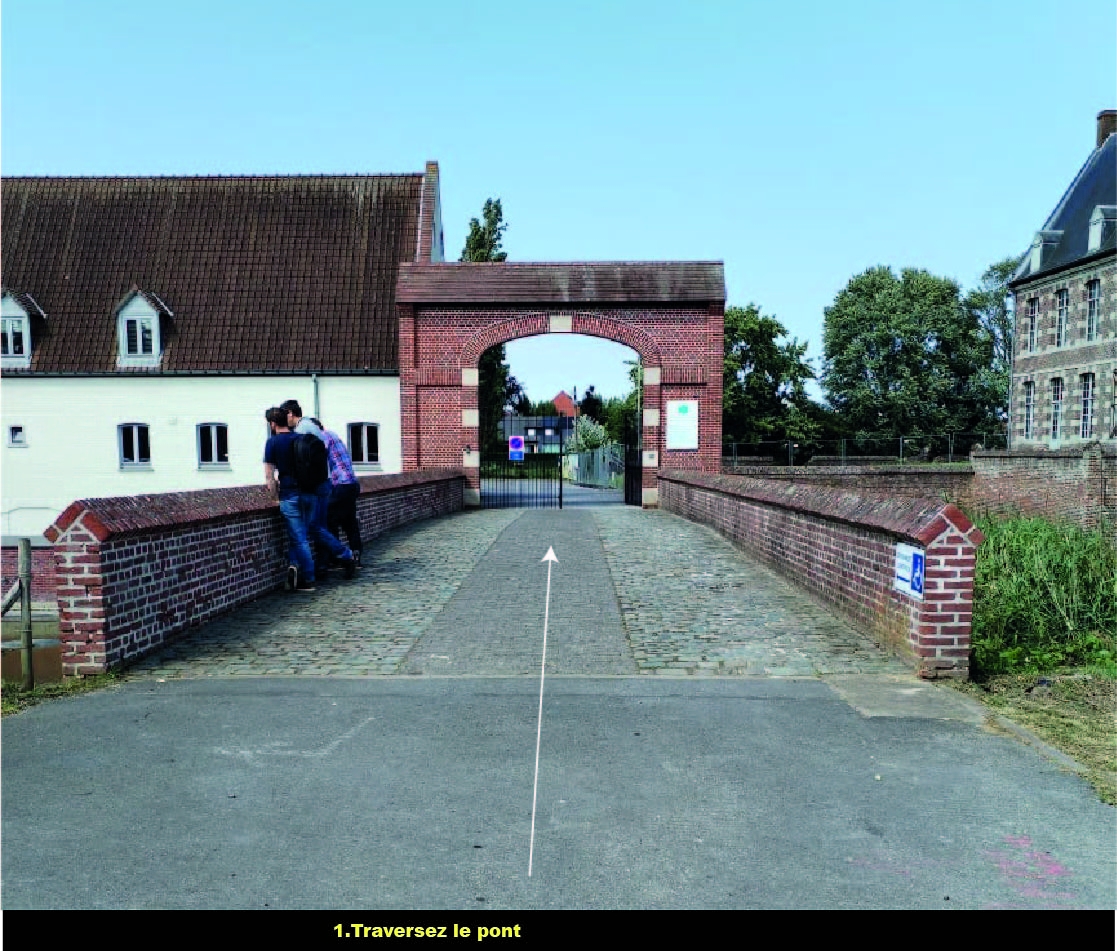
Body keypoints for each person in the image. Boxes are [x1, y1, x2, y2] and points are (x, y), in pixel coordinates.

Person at [264, 406, 355, 592]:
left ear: (272, 424)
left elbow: (269, 477)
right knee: (312, 529)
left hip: (289, 495)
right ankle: (344, 554)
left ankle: (308, 578)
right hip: (310, 493)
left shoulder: (272, 443)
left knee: (299, 538)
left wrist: (274, 498)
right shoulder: (301, 437)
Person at [310, 417, 363, 569]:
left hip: (339, 484)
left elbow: (320, 462)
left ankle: (337, 557)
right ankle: (356, 552)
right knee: (349, 521)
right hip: (351, 483)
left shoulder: (322, 437)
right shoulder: (333, 434)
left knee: (328, 521)